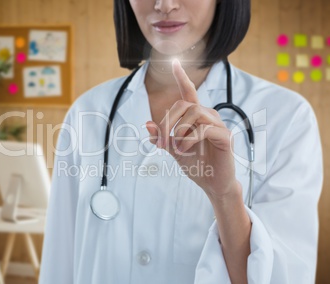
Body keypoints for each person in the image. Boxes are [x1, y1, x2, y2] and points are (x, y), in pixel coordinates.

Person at [39, 0, 323, 283]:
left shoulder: (286, 117)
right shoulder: (88, 111)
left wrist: (224, 194)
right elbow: (59, 261)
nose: (164, 5)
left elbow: (283, 277)